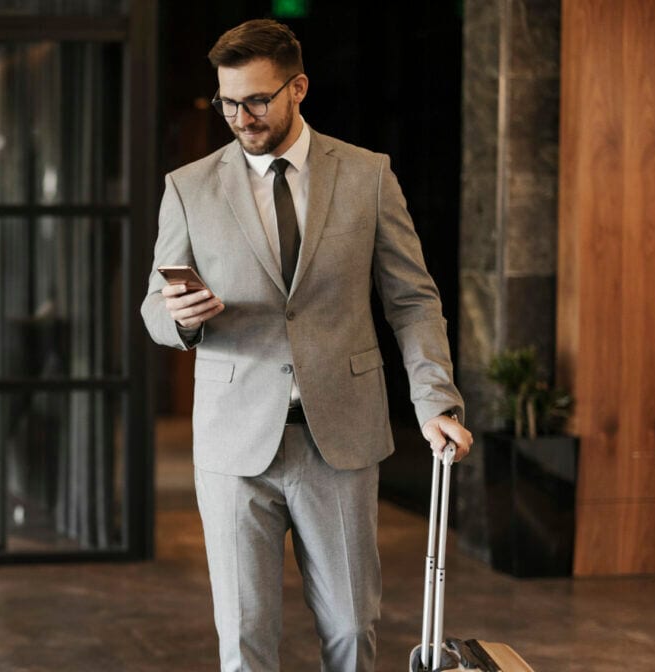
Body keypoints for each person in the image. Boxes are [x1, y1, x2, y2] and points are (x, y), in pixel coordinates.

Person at [140, 20, 474, 672]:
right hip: (233, 444)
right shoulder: (189, 187)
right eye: (227, 101)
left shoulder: (368, 175)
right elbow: (154, 308)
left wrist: (436, 401)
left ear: (298, 87)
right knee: (245, 641)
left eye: (257, 99)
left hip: (340, 440)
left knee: (352, 633)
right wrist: (179, 317)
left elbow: (412, 300)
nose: (241, 116)